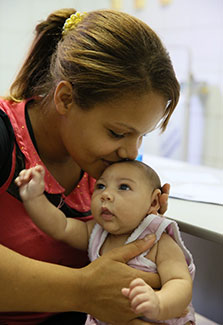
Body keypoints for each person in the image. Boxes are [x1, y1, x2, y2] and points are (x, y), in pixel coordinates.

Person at [0, 7, 180, 325]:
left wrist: (135, 223)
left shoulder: (105, 164)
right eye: (117, 132)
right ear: (66, 99)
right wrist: (83, 289)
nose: (131, 151)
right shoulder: (6, 136)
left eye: (141, 136)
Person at [15, 160, 195, 325]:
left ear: (154, 201)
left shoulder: (157, 239)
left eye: (123, 187)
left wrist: (158, 303)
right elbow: (60, 227)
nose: (106, 195)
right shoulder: (96, 232)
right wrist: (34, 198)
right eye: (100, 186)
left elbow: (180, 282)